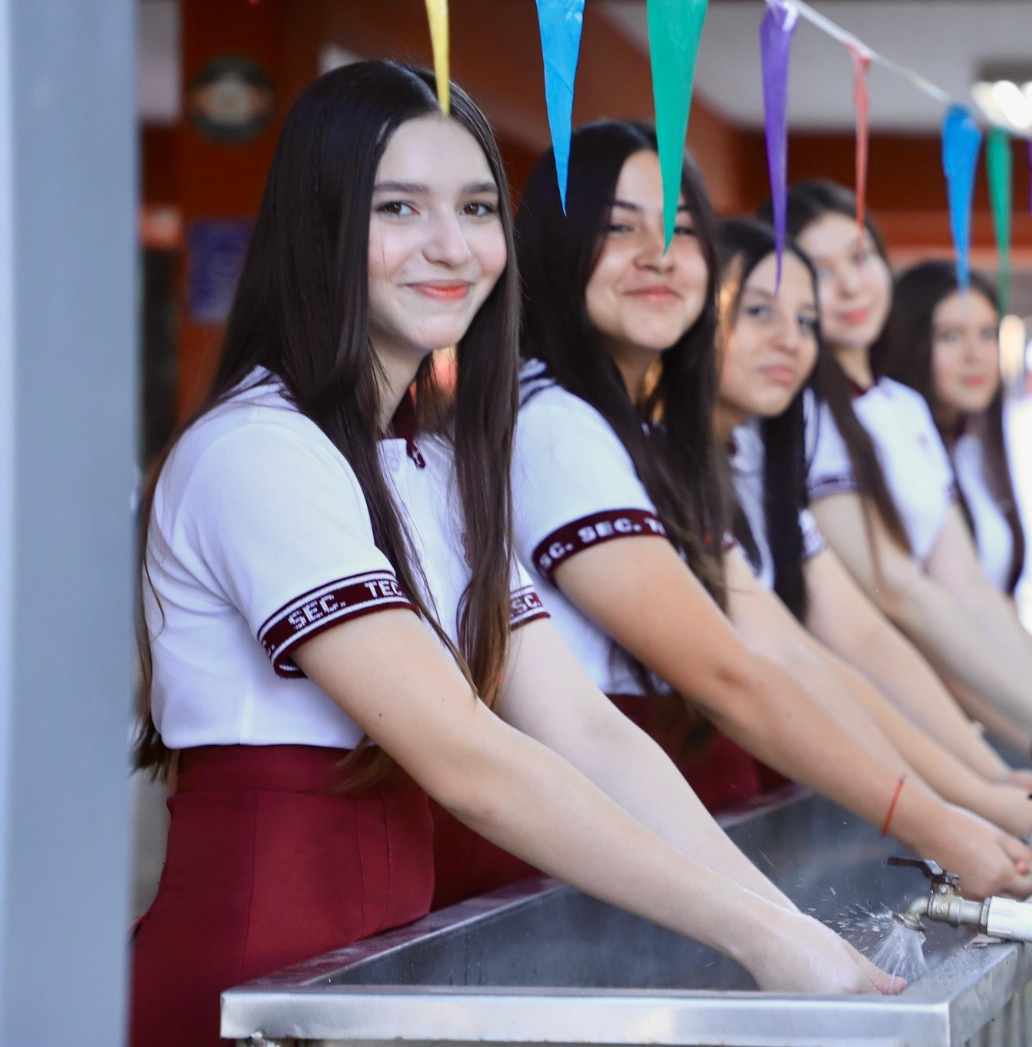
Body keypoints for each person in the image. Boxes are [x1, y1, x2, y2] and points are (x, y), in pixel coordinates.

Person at [130, 65, 893, 1047]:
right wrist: (753, 933)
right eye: (399, 206)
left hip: (382, 972)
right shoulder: (256, 450)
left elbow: (583, 725)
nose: (452, 245)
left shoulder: (444, 467)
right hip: (249, 988)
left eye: (478, 207)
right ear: (319, 222)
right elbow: (468, 756)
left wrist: (784, 928)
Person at [500, 120, 1032, 902]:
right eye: (620, 226)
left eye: (681, 230)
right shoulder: (551, 425)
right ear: (553, 241)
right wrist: (943, 818)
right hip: (579, 854)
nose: (658, 253)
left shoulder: (649, 439)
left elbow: (799, 657)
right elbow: (731, 673)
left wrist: (976, 794)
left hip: (663, 827)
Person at [766, 182, 1032, 776]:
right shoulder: (806, 414)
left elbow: (970, 591)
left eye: (860, 256)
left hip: (944, 737)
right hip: (855, 737)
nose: (850, 284)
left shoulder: (902, 407)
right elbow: (899, 596)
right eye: (820, 270)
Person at [712, 217, 1032, 826]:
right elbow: (886, 614)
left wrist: (1024, 754)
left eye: (803, 318)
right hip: (813, 758)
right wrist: (1000, 768)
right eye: (758, 311)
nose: (788, 337)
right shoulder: (792, 428)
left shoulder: (868, 421)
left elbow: (952, 603)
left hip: (851, 751)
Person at [876, 261, 1022, 595]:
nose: (975, 355)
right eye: (951, 336)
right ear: (909, 342)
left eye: (987, 333)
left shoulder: (974, 452)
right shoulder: (894, 450)